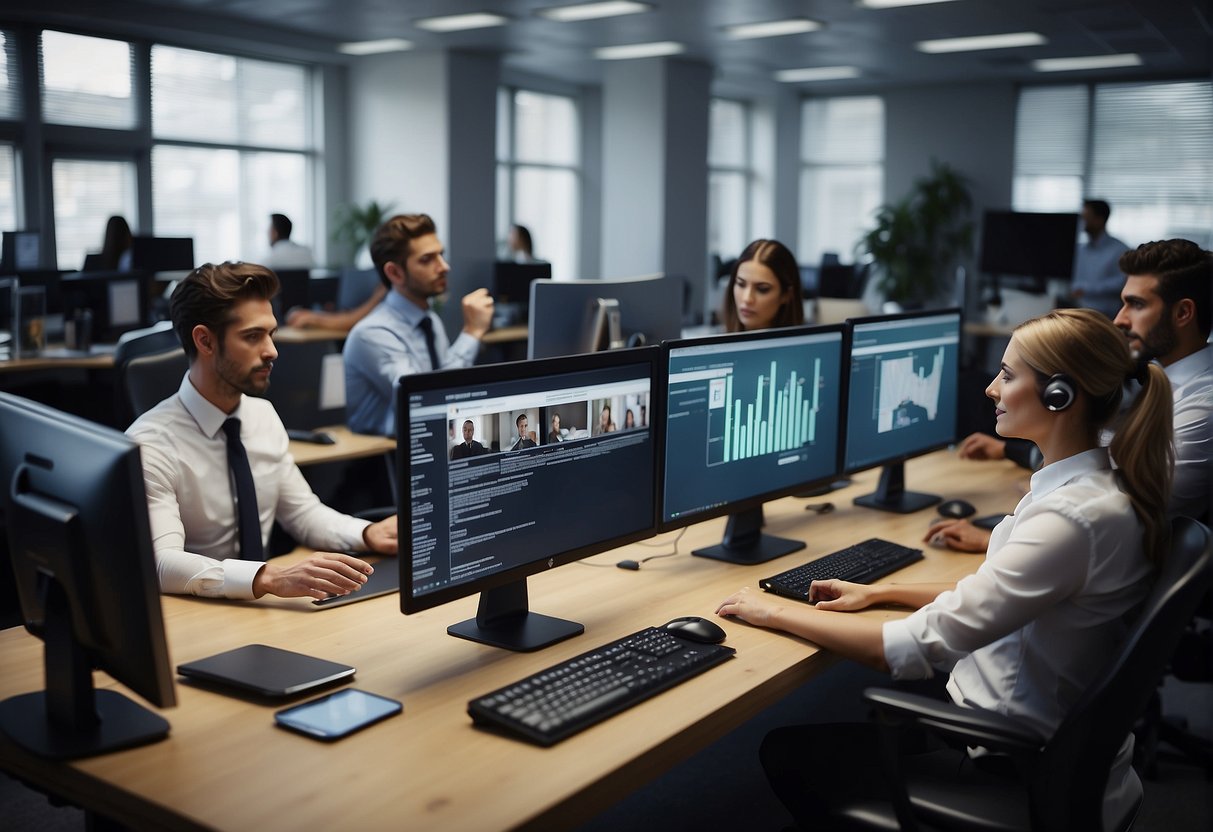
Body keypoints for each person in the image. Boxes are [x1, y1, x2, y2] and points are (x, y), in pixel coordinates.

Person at [718, 307, 1172, 831]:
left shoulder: (1070, 519)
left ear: (1060, 396)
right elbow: (996, 590)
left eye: (1007, 375)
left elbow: (904, 649)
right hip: (1060, 743)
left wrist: (773, 611)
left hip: (1011, 759)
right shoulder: (1092, 489)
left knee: (786, 751)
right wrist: (880, 592)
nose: (990, 390)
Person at [126, 262, 397, 601]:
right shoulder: (150, 444)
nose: (272, 351)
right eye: (253, 336)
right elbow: (161, 563)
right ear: (205, 341)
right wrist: (265, 576)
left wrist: (369, 533)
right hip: (197, 612)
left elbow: (302, 513)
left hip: (262, 610)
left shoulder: (261, 415)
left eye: (271, 333)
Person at [946, 238, 1212, 551]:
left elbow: (1125, 500)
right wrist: (1013, 453)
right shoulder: (1156, 379)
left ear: (1183, 313)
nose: (1119, 319)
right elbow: (1101, 449)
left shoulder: (1204, 403)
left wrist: (1014, 541)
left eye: (1136, 305)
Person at [343, 214, 495, 435]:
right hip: (382, 461)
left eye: (441, 255)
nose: (444, 266)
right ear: (395, 272)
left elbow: (444, 385)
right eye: (427, 259)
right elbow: (425, 404)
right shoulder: (372, 333)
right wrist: (472, 332)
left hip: (427, 446)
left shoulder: (430, 320)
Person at [720, 239, 805, 333]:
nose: (747, 299)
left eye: (762, 289)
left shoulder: (809, 345)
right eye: (741, 284)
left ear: (786, 295)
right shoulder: (714, 343)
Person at [1071, 199, 1130, 318]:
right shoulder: (1080, 250)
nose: (1082, 222)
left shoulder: (1120, 250)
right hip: (1078, 313)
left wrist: (1086, 289)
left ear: (1100, 220)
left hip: (1107, 316)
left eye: (1086, 218)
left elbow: (1122, 282)